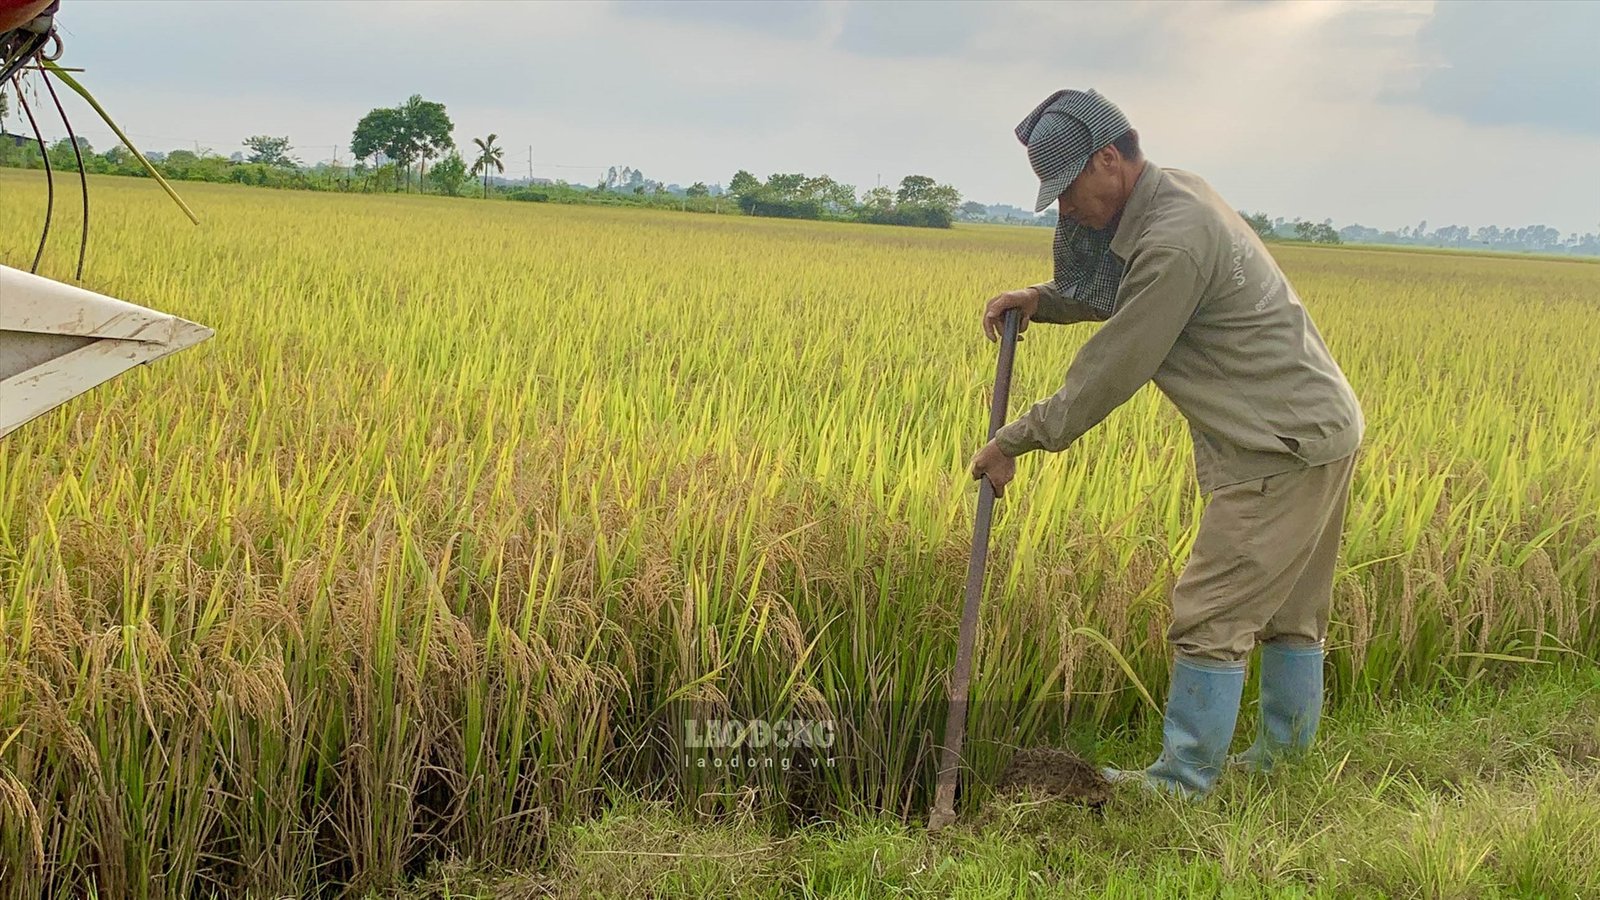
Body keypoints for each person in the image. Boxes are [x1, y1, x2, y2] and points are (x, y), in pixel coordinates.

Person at [969, 89, 1363, 798]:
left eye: (1067, 190)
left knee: (1210, 614)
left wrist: (1015, 440)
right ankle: (1286, 763)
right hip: (1315, 427)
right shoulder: (1173, 196)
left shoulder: (1176, 238)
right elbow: (1120, 287)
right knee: (1291, 612)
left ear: (1109, 161)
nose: (1064, 209)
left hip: (1276, 447)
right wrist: (1043, 298)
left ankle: (1182, 782)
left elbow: (1115, 364)